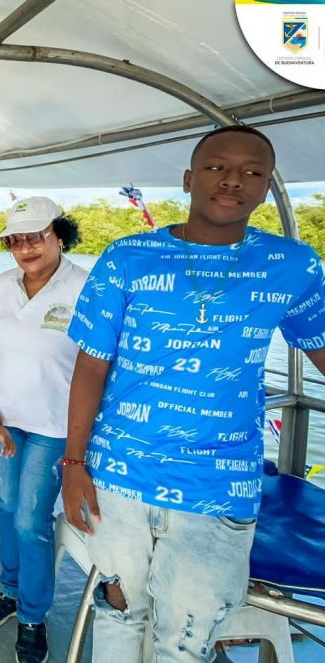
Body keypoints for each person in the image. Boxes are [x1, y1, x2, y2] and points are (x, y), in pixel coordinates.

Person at [63, 125, 325, 662]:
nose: (233, 181)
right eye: (216, 167)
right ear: (188, 179)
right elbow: (91, 366)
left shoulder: (294, 266)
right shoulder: (126, 257)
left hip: (218, 486)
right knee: (118, 610)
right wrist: (73, 463)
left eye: (253, 172)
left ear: (267, 185)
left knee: (186, 639)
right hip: (118, 477)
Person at [0, 198, 89, 663]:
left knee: (30, 520)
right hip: (5, 421)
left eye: (35, 236)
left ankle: (32, 616)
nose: (25, 248)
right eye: (15, 240)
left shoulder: (83, 286)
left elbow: (97, 364)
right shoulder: (0, 286)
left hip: (55, 425)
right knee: (4, 509)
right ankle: (11, 589)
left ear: (59, 234)